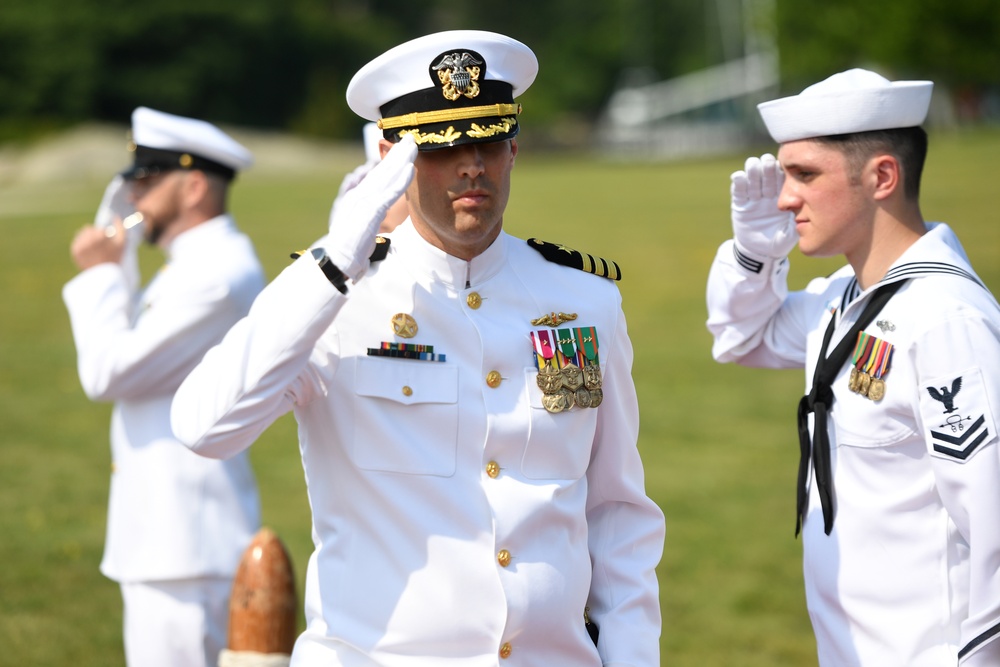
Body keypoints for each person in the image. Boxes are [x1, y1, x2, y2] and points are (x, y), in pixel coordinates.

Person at [171, 30, 665, 666]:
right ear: (388, 156)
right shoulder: (332, 302)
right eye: (442, 147)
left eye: (486, 140)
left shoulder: (585, 303)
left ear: (514, 147)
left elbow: (617, 513)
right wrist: (330, 267)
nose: (470, 166)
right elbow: (203, 426)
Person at [706, 68, 1000, 665]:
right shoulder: (844, 298)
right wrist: (755, 253)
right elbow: (741, 337)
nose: (785, 198)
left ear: (882, 177)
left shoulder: (946, 321)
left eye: (806, 175)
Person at [63, 107, 264, 667]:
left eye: (146, 184)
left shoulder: (214, 274)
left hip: (185, 547)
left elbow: (107, 373)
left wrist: (100, 272)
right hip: (172, 538)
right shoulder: (195, 264)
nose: (134, 203)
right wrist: (117, 257)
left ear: (194, 185)